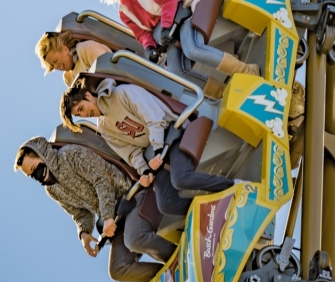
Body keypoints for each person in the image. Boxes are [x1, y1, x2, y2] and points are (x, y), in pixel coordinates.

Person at [15, 136, 172, 282]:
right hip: (118, 220)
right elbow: (79, 213)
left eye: (35, 168)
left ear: (43, 154)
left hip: (132, 197)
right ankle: (169, 278)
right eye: (32, 176)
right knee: (118, 269)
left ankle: (178, 258)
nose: (37, 176)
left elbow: (102, 181)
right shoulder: (52, 190)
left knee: (134, 239)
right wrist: (84, 233)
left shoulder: (70, 155)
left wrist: (108, 216)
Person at [85, 0, 260, 81]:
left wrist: (167, 26)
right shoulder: (123, 11)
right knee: (177, 72)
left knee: (193, 49)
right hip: (168, 32)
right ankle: (222, 93)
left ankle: (247, 71)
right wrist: (149, 48)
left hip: (182, 11)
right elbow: (142, 34)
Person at [62, 77, 234, 198]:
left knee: (180, 179)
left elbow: (155, 117)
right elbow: (130, 152)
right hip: (157, 152)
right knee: (166, 203)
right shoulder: (104, 128)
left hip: (172, 131)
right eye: (80, 114)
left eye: (82, 109)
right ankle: (211, 204)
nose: (86, 114)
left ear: (87, 96)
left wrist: (158, 149)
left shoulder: (121, 93)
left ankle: (231, 186)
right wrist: (143, 170)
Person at [35, 30, 112, 86]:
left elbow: (110, 69)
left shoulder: (86, 49)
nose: (55, 67)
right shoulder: (68, 78)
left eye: (55, 61)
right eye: (52, 66)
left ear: (65, 49)